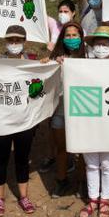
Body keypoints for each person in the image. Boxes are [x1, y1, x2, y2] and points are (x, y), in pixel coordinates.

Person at [0, 24, 39, 216]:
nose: (14, 43)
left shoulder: (33, 64)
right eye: (10, 40)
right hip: (1, 120)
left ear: (24, 42)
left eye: (18, 40)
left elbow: (40, 87)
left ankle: (23, 197)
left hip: (25, 120)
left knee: (22, 158)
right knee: (1, 158)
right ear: (5, 41)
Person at [77, 26, 109, 217]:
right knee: (92, 163)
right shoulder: (82, 67)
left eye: (105, 44)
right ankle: (93, 199)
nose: (101, 47)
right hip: (89, 120)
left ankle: (105, 200)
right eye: (97, 44)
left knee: (107, 163)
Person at [47, 22, 86, 198]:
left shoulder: (89, 59)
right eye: (68, 35)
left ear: (81, 37)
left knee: (82, 150)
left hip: (82, 111)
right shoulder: (55, 58)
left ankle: (81, 182)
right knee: (61, 148)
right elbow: (42, 73)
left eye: (75, 35)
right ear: (63, 38)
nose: (71, 38)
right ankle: (61, 181)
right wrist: (49, 63)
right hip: (60, 110)